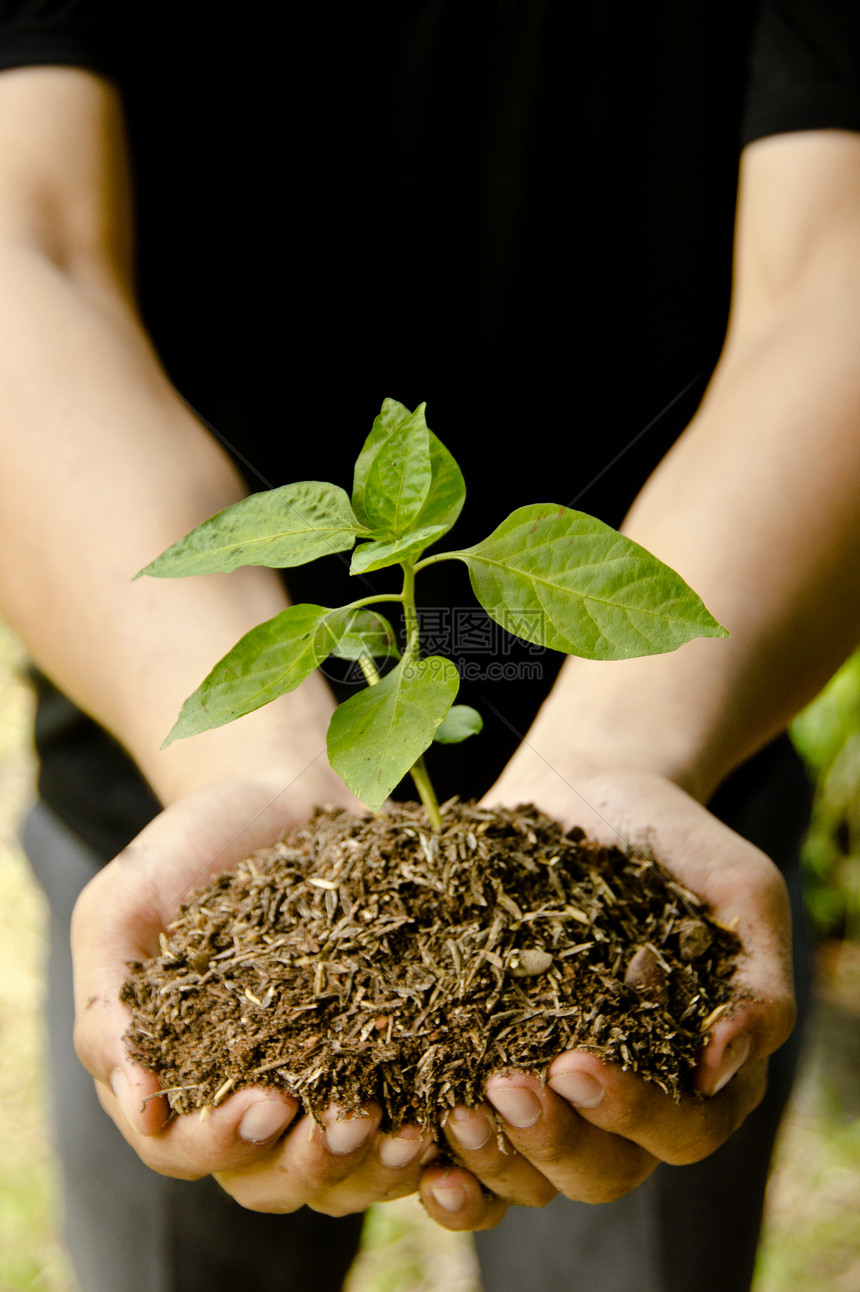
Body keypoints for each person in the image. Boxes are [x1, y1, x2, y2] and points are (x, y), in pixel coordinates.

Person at [1, 2, 859, 1289]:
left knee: (621, 1171)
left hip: (668, 793)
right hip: (174, 792)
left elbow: (833, 269)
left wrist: (628, 737)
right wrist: (244, 748)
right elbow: (28, 240)